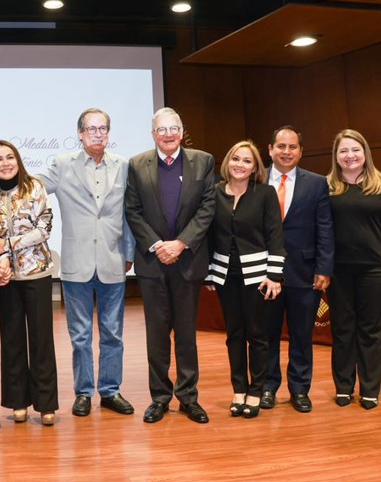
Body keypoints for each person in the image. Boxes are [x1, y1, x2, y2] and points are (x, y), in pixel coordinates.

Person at [34, 108, 135, 418]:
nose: (97, 134)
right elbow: (33, 185)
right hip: (76, 263)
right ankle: (83, 392)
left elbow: (129, 213)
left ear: (108, 133)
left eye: (103, 128)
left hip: (113, 260)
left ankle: (110, 391)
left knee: (113, 333)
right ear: (79, 133)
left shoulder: (124, 166)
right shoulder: (63, 166)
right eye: (91, 129)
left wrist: (129, 251)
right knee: (79, 336)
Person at [126, 107, 216, 425]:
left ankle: (189, 397)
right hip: (153, 263)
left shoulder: (203, 161)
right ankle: (160, 398)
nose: (168, 134)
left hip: (188, 260)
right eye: (161, 129)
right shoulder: (137, 165)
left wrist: (180, 243)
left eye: (173, 128)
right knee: (157, 334)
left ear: (181, 131)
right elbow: (132, 210)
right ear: (153, 134)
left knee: (187, 335)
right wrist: (157, 245)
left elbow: (208, 207)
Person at [325, 129, 381, 410]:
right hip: (338, 271)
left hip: (374, 269)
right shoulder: (327, 187)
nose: (350, 156)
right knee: (343, 329)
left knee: (371, 331)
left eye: (355, 150)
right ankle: (344, 387)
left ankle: (370, 389)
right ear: (336, 156)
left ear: (365, 153)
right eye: (343, 151)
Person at [207, 141, 285, 419]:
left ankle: (256, 391)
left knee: (258, 335)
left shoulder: (265, 193)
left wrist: (274, 275)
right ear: (228, 162)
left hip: (259, 276)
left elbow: (276, 235)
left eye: (247, 161)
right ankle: (238, 390)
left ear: (255, 168)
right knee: (234, 335)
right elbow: (207, 235)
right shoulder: (214, 193)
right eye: (236, 159)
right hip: (225, 275)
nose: (240, 164)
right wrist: (208, 272)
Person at [0, 140, 59, 426]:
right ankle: (18, 402)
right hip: (6, 278)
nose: (5, 163)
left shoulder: (35, 187)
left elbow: (45, 229)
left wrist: (9, 243)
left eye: (9, 157)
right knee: (12, 340)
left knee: (41, 340)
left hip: (37, 274)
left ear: (18, 160)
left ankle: (46, 404)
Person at [262, 126, 333, 413]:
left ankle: (300, 389)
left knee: (303, 335)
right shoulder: (255, 179)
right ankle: (267, 387)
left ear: (301, 152)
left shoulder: (316, 183)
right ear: (270, 149)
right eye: (281, 146)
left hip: (304, 272)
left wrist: (324, 268)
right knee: (266, 334)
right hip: (265, 273)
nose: (286, 151)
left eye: (293, 147)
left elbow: (325, 228)